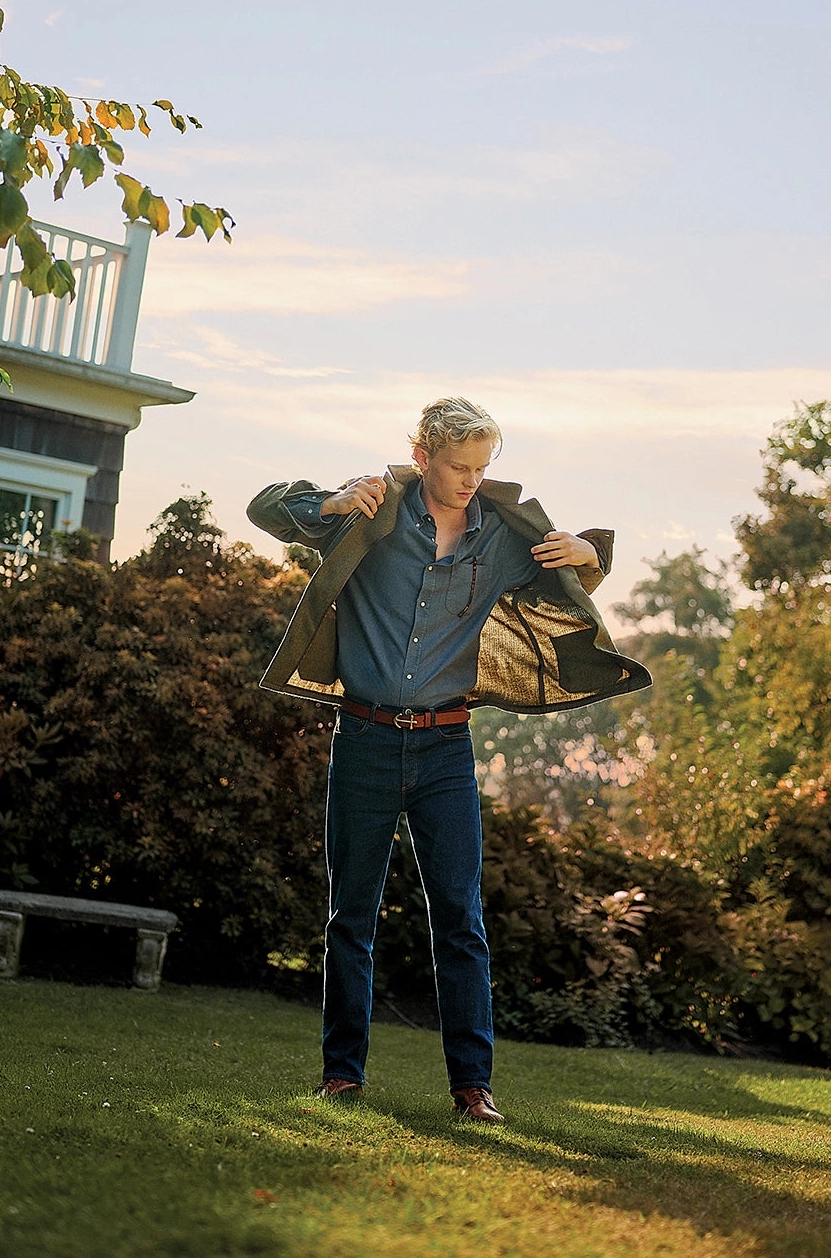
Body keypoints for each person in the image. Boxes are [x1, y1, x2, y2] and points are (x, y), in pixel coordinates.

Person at [247, 396, 650, 1123]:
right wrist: (331, 498)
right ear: (423, 454)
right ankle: (343, 1075)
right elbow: (266, 506)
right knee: (351, 917)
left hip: (445, 748)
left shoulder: (500, 538)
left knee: (461, 919)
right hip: (364, 740)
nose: (470, 480)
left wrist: (595, 552)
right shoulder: (371, 512)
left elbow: (570, 572)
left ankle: (473, 1087)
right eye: (458, 466)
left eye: (481, 467)